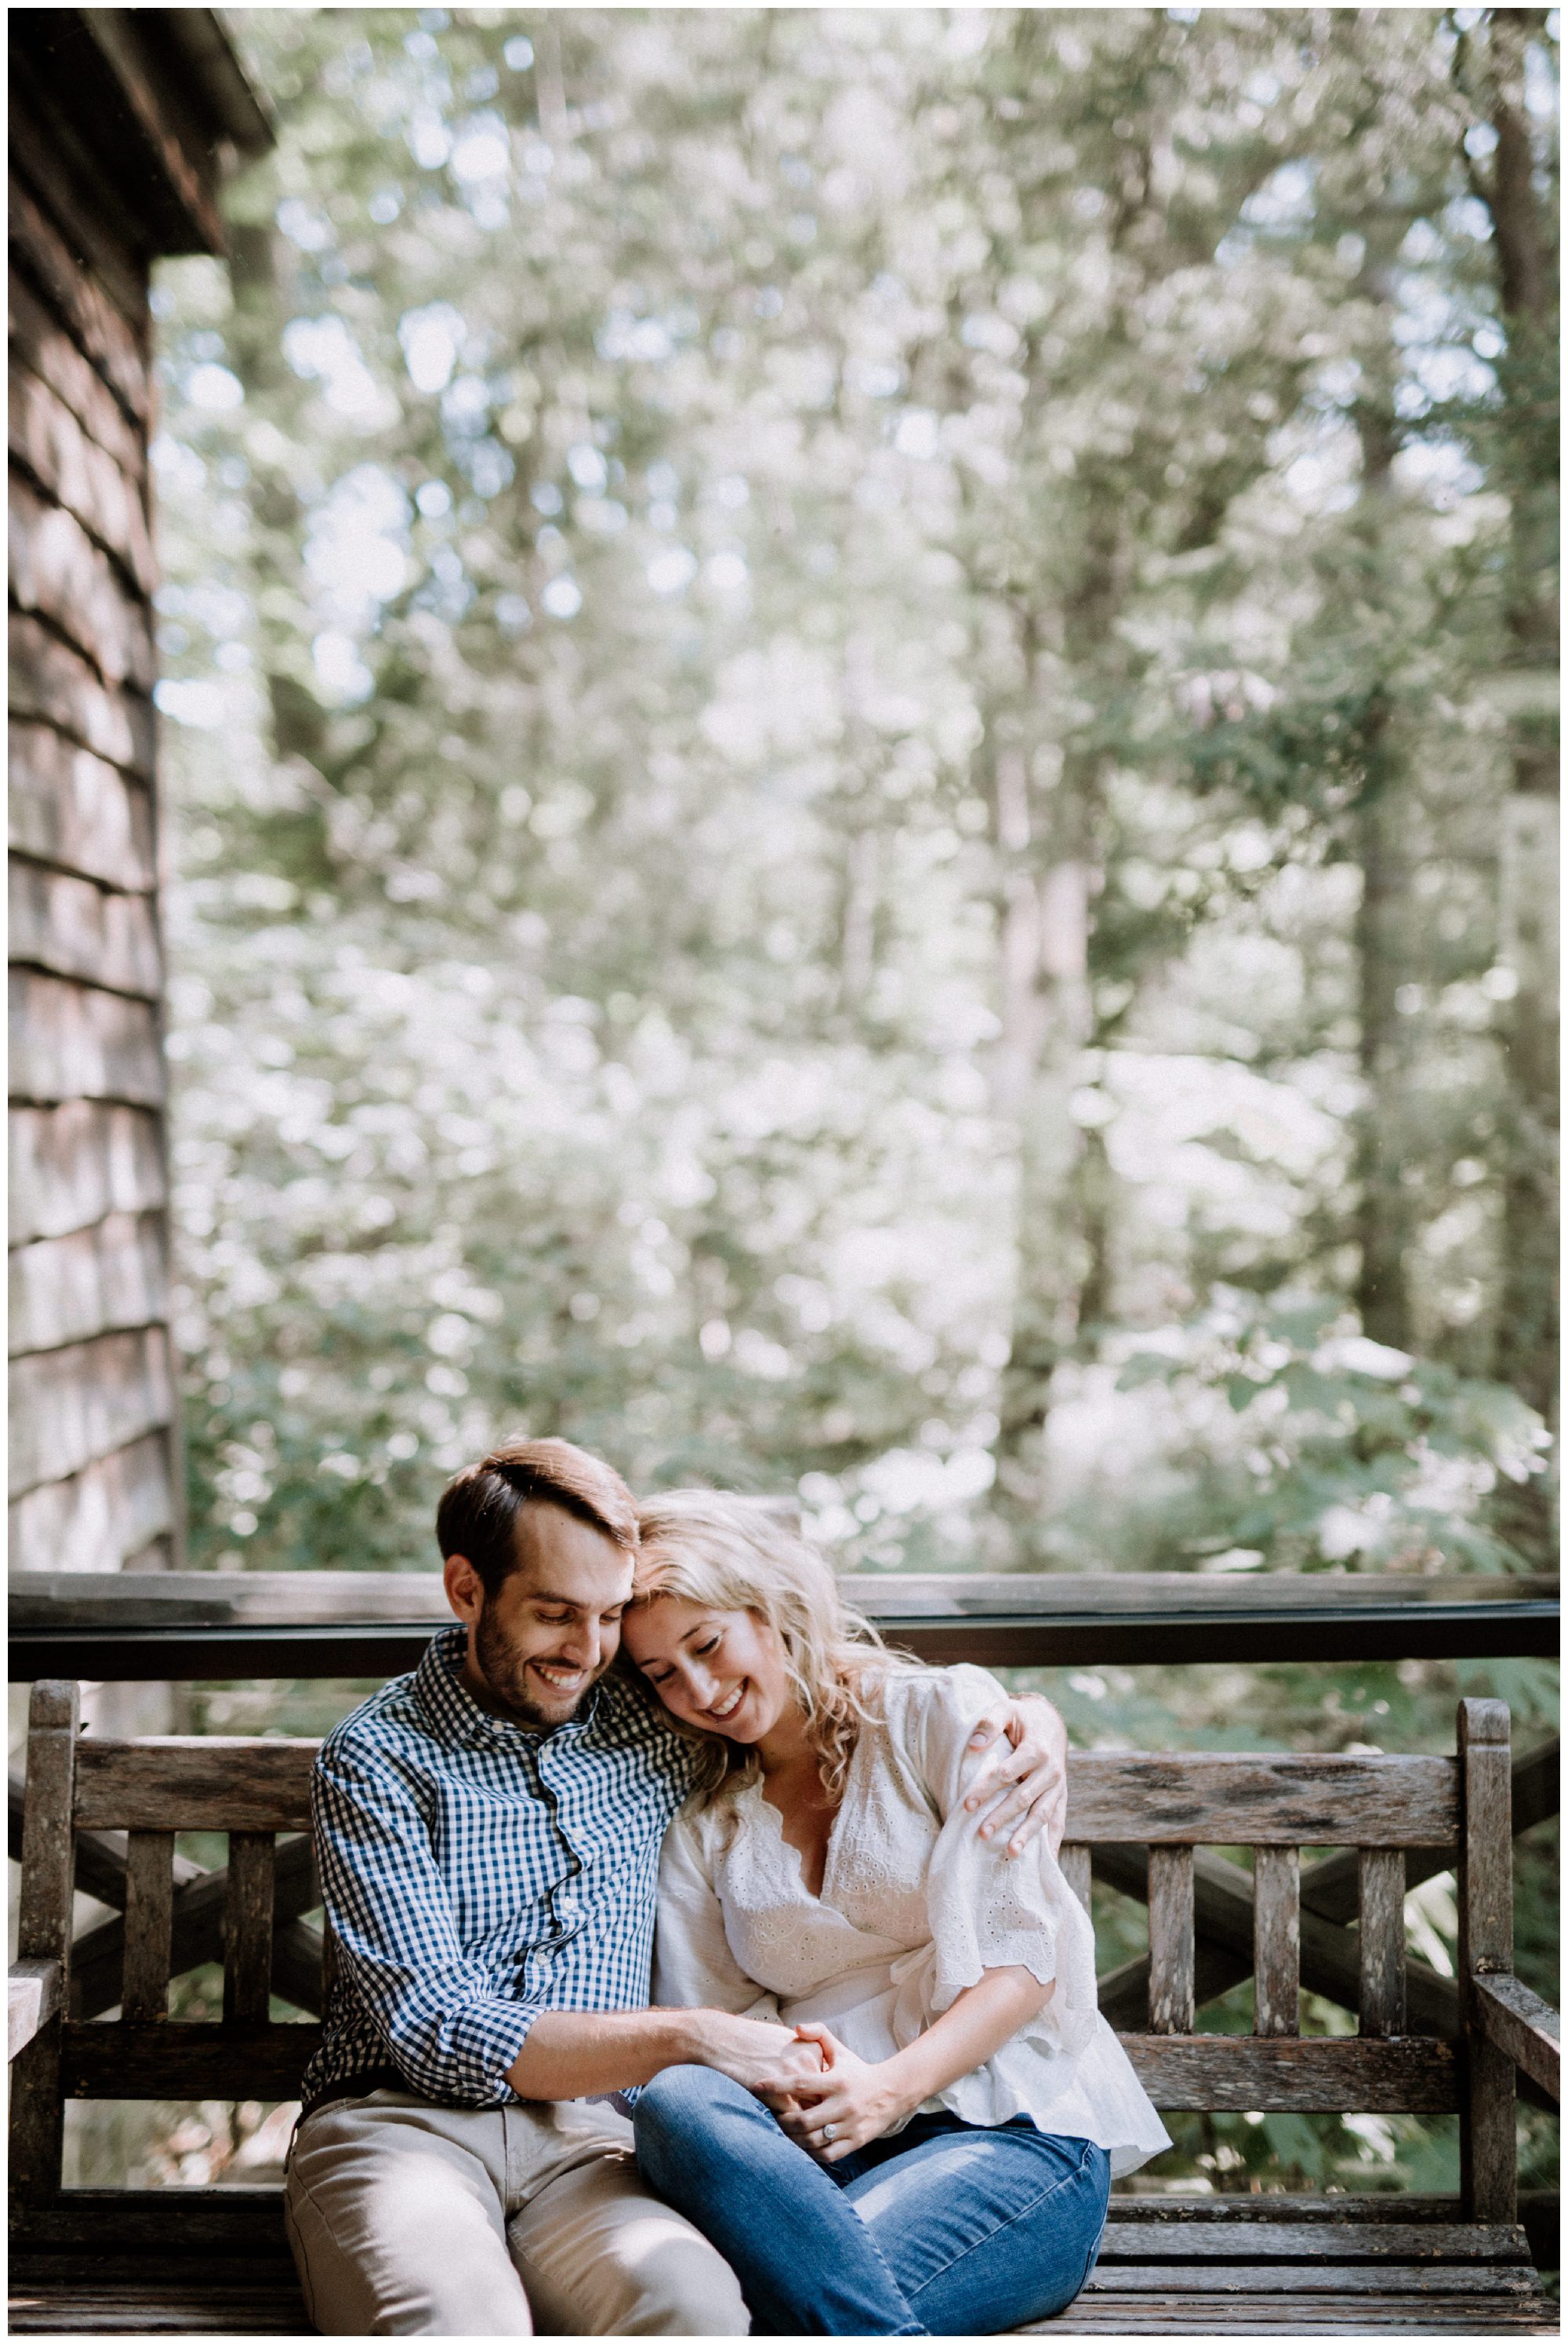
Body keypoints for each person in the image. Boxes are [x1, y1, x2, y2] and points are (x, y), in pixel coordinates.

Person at [285, 1437, 1073, 2335]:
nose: (586, 1651)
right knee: (457, 2319)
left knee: (695, 2307)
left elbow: (807, 1685)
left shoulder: (648, 1717)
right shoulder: (376, 1757)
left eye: (608, 1615)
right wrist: (693, 2036)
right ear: (466, 1590)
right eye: (554, 1613)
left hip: (588, 2148)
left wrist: (1027, 1723)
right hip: (401, 2127)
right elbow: (434, 2030)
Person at [622, 1489, 1171, 2337]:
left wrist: (886, 2090)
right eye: (662, 1673)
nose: (699, 1687)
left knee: (795, 2309)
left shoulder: (936, 1715)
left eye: (706, 1643)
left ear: (766, 1606)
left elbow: (1023, 1964)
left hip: (1009, 2134)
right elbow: (717, 2023)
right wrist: (817, 2094)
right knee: (678, 2100)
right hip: (817, 2161)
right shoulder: (705, 1813)